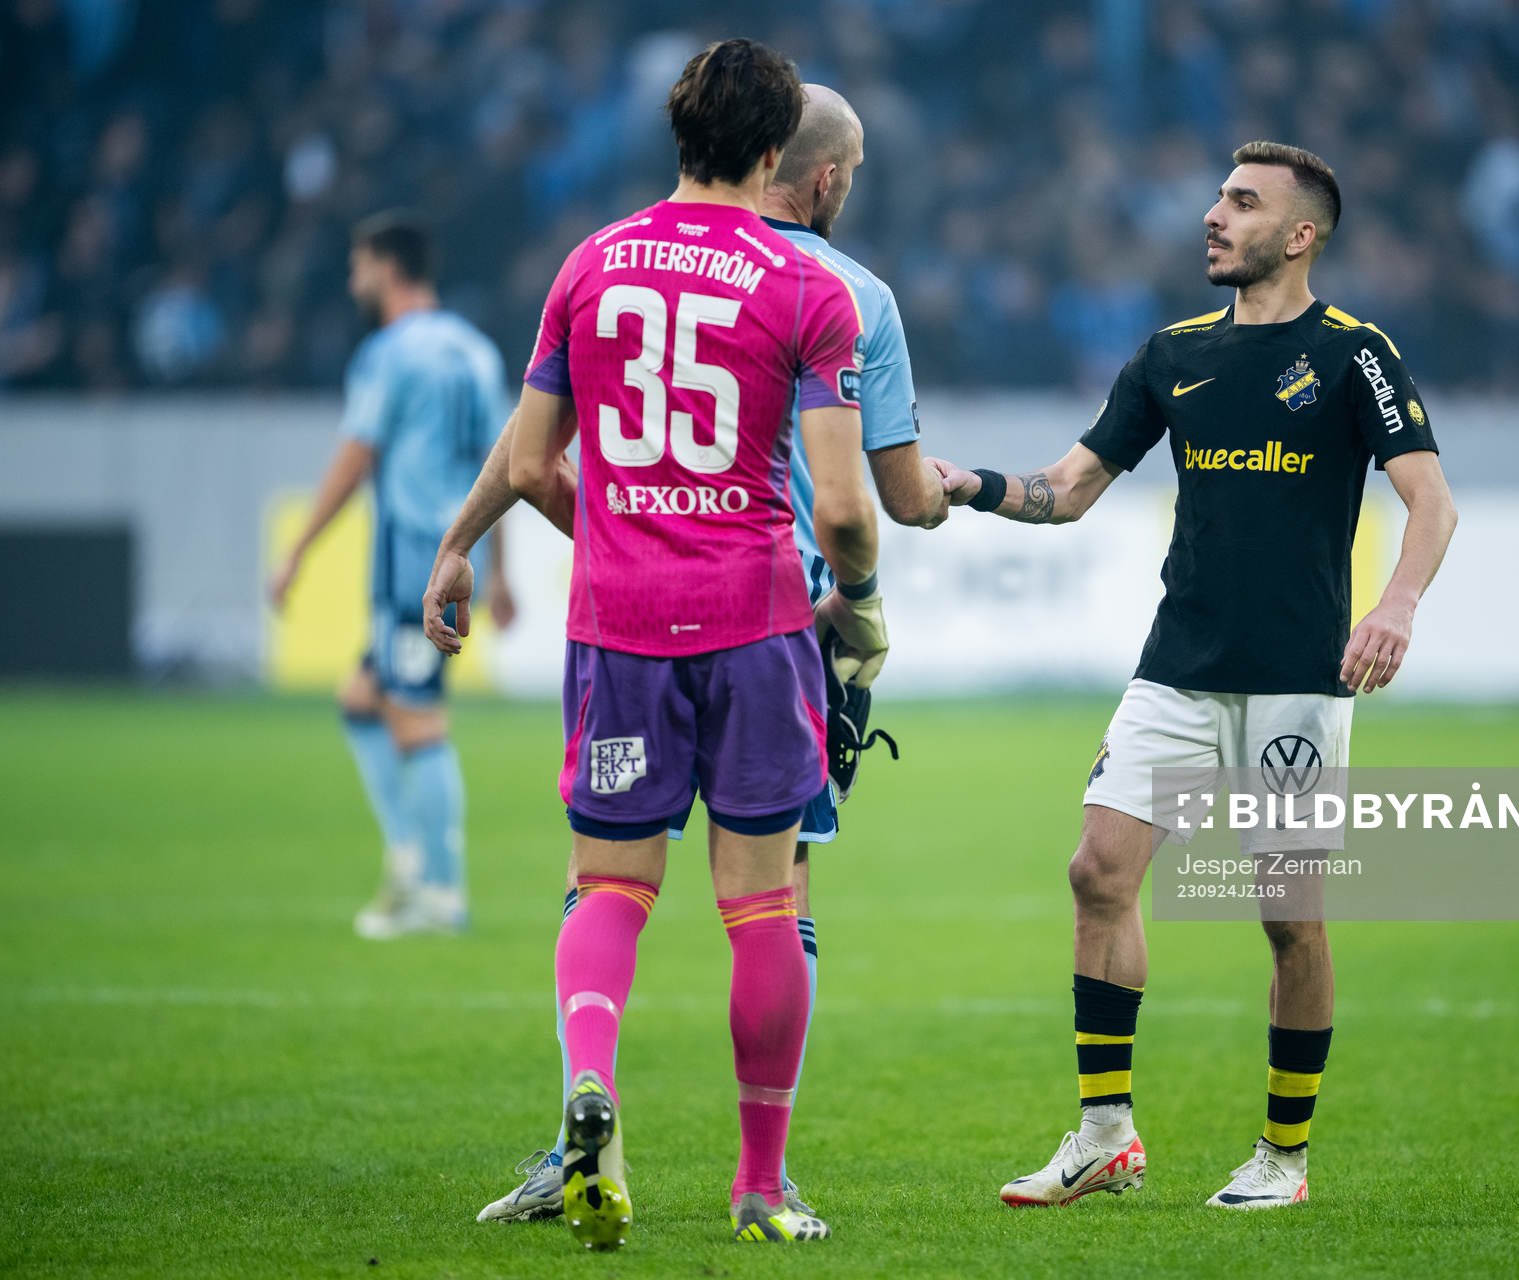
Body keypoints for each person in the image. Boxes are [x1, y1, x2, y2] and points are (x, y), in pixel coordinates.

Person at [420, 39, 888, 1249]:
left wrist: (594, 535)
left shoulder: (591, 262)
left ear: (676, 133)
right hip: (756, 623)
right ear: (779, 152)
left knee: (612, 886)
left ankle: (592, 1088)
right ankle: (759, 1184)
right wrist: (857, 595)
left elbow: (531, 462)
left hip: (619, 628)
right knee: (763, 905)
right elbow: (840, 509)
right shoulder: (807, 289)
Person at [931, 141, 1458, 1210]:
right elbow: (1070, 487)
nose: (1214, 216)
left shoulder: (1356, 354)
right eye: (1218, 197)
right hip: (1179, 666)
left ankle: (1283, 1155)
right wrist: (974, 484)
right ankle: (1103, 1132)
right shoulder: (1172, 354)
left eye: (1242, 202)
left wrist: (1395, 603)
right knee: (1097, 869)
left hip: (1299, 679)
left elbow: (1432, 501)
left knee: (1286, 912)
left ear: (1301, 233)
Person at [269, 211, 512, 939]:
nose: (352, 279)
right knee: (360, 698)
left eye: (358, 264)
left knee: (416, 719)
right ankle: (410, 856)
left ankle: (440, 891)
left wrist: (301, 547)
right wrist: (499, 570)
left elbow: (356, 456)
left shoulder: (391, 353)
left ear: (386, 267)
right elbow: (505, 464)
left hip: (417, 563)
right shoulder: (475, 351)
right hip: (459, 555)